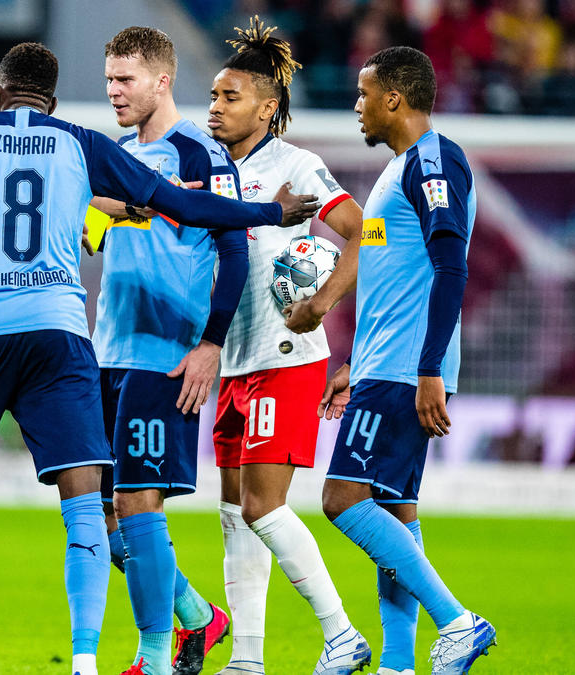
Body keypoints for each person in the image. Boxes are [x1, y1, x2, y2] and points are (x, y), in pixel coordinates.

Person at [0, 41, 321, 675]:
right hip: (59, 338)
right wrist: (271, 210)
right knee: (84, 503)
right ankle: (84, 662)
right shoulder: (84, 144)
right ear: (53, 94)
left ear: (3, 89)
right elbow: (185, 206)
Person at [320, 46, 495, 675]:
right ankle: (397, 663)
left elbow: (452, 265)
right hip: (382, 365)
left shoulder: (434, 161)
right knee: (394, 512)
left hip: (404, 370)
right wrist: (352, 364)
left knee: (342, 500)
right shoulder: (396, 172)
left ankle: (457, 621)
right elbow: (392, 277)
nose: (358, 106)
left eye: (365, 94)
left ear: (394, 97)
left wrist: (426, 369)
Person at [92, 26, 261, 675]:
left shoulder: (197, 152)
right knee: (103, 508)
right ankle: (197, 613)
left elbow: (235, 248)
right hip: (110, 349)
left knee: (137, 501)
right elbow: (101, 233)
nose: (114, 91)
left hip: (164, 352)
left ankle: (154, 658)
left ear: (162, 80)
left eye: (125, 79)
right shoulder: (115, 154)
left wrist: (211, 344)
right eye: (109, 79)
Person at [205, 17, 370, 675]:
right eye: (214, 95)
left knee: (263, 506)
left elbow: (367, 232)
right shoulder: (210, 166)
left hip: (285, 355)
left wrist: (324, 303)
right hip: (235, 360)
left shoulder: (296, 167)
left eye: (230, 97)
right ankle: (246, 658)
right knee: (233, 515)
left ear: (268, 108)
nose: (215, 107)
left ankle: (341, 634)